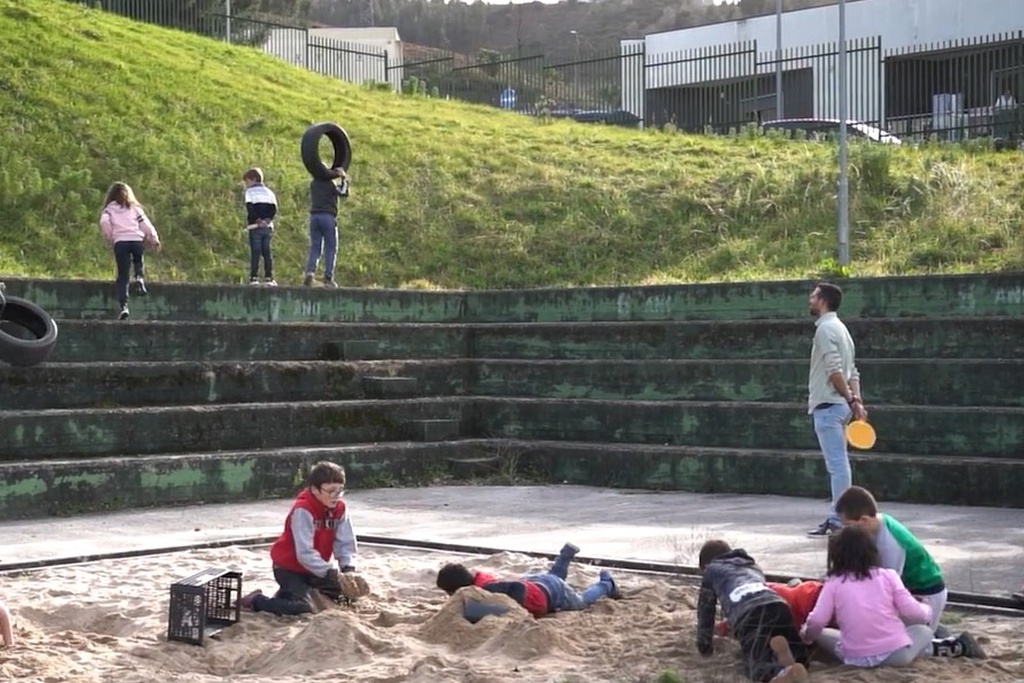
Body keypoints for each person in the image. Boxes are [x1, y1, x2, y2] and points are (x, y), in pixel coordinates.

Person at [835, 485, 984, 658]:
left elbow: (885, 590)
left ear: (863, 520)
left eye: (847, 526)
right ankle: (933, 630)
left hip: (925, 592)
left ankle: (958, 646)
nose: (844, 531)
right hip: (911, 592)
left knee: (894, 648)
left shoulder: (889, 544)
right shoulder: (877, 524)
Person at [801, 525, 935, 667]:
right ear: (872, 551)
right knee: (923, 631)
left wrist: (807, 636)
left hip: (854, 658)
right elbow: (913, 612)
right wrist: (927, 608)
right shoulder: (888, 576)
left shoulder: (834, 582)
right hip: (895, 656)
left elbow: (817, 620)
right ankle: (932, 650)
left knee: (824, 633)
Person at [239, 461, 358, 616]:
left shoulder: (340, 509)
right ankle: (256, 600)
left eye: (340, 490)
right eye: (331, 491)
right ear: (315, 490)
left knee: (348, 598)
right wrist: (329, 572)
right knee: (301, 608)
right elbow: (304, 552)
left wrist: (347, 569)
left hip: (315, 569)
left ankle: (287, 594)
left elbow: (345, 543)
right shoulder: (303, 510)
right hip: (289, 568)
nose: (336, 496)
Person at [696, 540, 809, 683]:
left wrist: (705, 646)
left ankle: (780, 673)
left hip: (749, 614)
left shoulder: (711, 570)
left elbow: (706, 611)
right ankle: (794, 661)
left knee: (756, 667)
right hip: (778, 605)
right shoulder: (753, 566)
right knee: (792, 649)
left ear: (705, 566)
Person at [805, 281, 866, 537]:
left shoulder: (825, 330)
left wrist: (852, 400)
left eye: (814, 296)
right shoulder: (842, 330)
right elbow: (852, 371)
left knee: (837, 466)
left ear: (823, 301)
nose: (810, 299)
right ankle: (841, 517)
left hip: (830, 405)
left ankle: (839, 519)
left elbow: (835, 371)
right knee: (840, 464)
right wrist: (857, 402)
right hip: (840, 405)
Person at [435, 542, 620, 618]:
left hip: (549, 594)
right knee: (554, 577)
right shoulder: (479, 581)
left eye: (450, 593)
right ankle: (564, 557)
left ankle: (606, 584)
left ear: (459, 587)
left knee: (581, 601)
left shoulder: (488, 590)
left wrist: (516, 608)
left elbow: (514, 590)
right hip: (537, 582)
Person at [99, 182, 161, 321]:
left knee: (123, 276)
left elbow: (104, 222)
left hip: (121, 242)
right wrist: (154, 238)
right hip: (136, 240)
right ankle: (139, 277)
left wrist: (111, 236)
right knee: (138, 260)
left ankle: (124, 307)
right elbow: (145, 224)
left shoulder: (109, 210)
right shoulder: (134, 208)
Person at [304, 166, 349, 288]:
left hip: (314, 216)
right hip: (328, 217)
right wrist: (343, 178)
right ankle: (328, 277)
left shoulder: (314, 184)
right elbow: (343, 192)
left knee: (315, 247)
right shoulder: (330, 184)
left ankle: (310, 272)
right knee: (330, 248)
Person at [242, 167, 278, 286]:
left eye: (247, 182)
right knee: (267, 252)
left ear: (253, 179)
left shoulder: (249, 192)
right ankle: (269, 277)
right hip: (267, 227)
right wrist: (266, 221)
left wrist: (258, 221)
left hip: (255, 226)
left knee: (255, 251)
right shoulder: (269, 192)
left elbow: (250, 209)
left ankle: (254, 277)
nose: (246, 185)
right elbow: (274, 209)